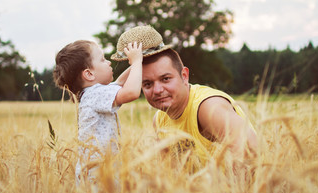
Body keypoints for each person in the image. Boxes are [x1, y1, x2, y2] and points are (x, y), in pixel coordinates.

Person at [111, 25, 257, 171]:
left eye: (166, 79)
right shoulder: (160, 120)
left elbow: (253, 152)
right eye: (147, 84)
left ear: (184, 76)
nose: (157, 90)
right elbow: (170, 175)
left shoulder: (208, 108)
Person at [53, 40, 143, 181]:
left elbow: (120, 83)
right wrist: (137, 61)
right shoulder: (95, 95)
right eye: (102, 59)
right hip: (99, 174)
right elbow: (131, 92)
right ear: (89, 74)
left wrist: (139, 61)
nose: (108, 62)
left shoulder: (92, 93)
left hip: (98, 170)